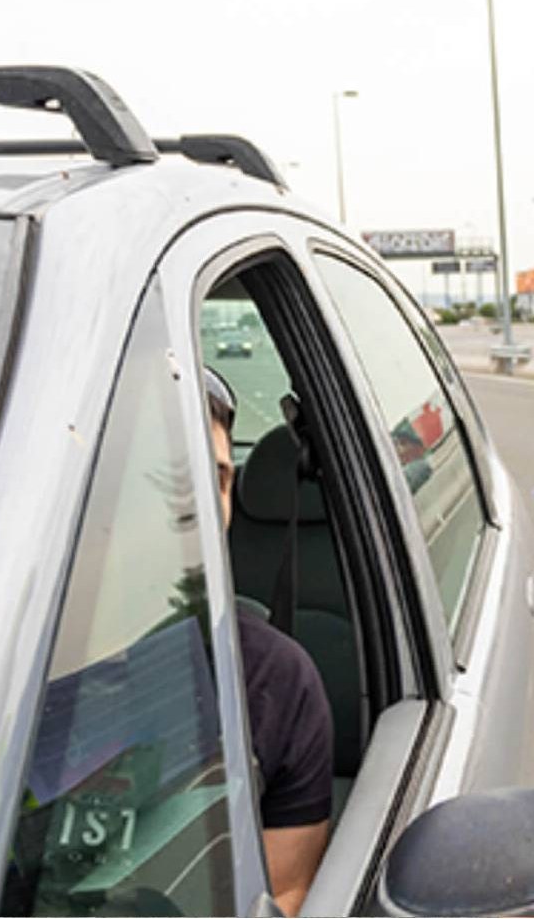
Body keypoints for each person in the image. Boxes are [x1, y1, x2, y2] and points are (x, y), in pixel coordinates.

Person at [204, 368, 334, 914]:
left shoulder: (272, 681)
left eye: (216, 479)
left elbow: (282, 894)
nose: (199, 506)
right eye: (167, 477)